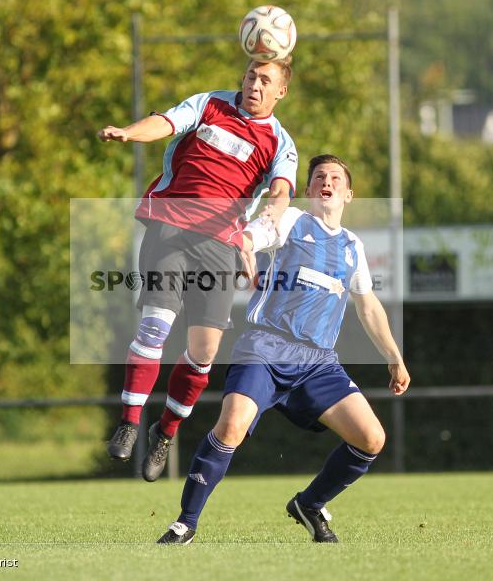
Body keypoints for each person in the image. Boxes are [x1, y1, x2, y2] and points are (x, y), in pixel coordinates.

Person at [156, 154, 411, 544]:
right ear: (309, 190)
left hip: (318, 364)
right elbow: (257, 232)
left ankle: (309, 505)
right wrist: (244, 245)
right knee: (231, 427)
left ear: (349, 194)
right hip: (265, 347)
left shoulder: (352, 246)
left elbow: (368, 306)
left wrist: (394, 357)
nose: (327, 181)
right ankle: (185, 523)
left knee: (371, 438)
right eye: (319, 177)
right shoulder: (292, 220)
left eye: (336, 178)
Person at [96, 58, 298, 481]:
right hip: (169, 226)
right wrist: (129, 132)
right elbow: (166, 122)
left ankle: (165, 430)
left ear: (281, 91)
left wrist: (261, 227)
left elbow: (280, 192)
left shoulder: (280, 142)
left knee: (204, 353)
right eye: (249, 76)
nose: (254, 85)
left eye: (265, 81)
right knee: (155, 327)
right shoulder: (209, 104)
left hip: (220, 244)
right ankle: (130, 421)